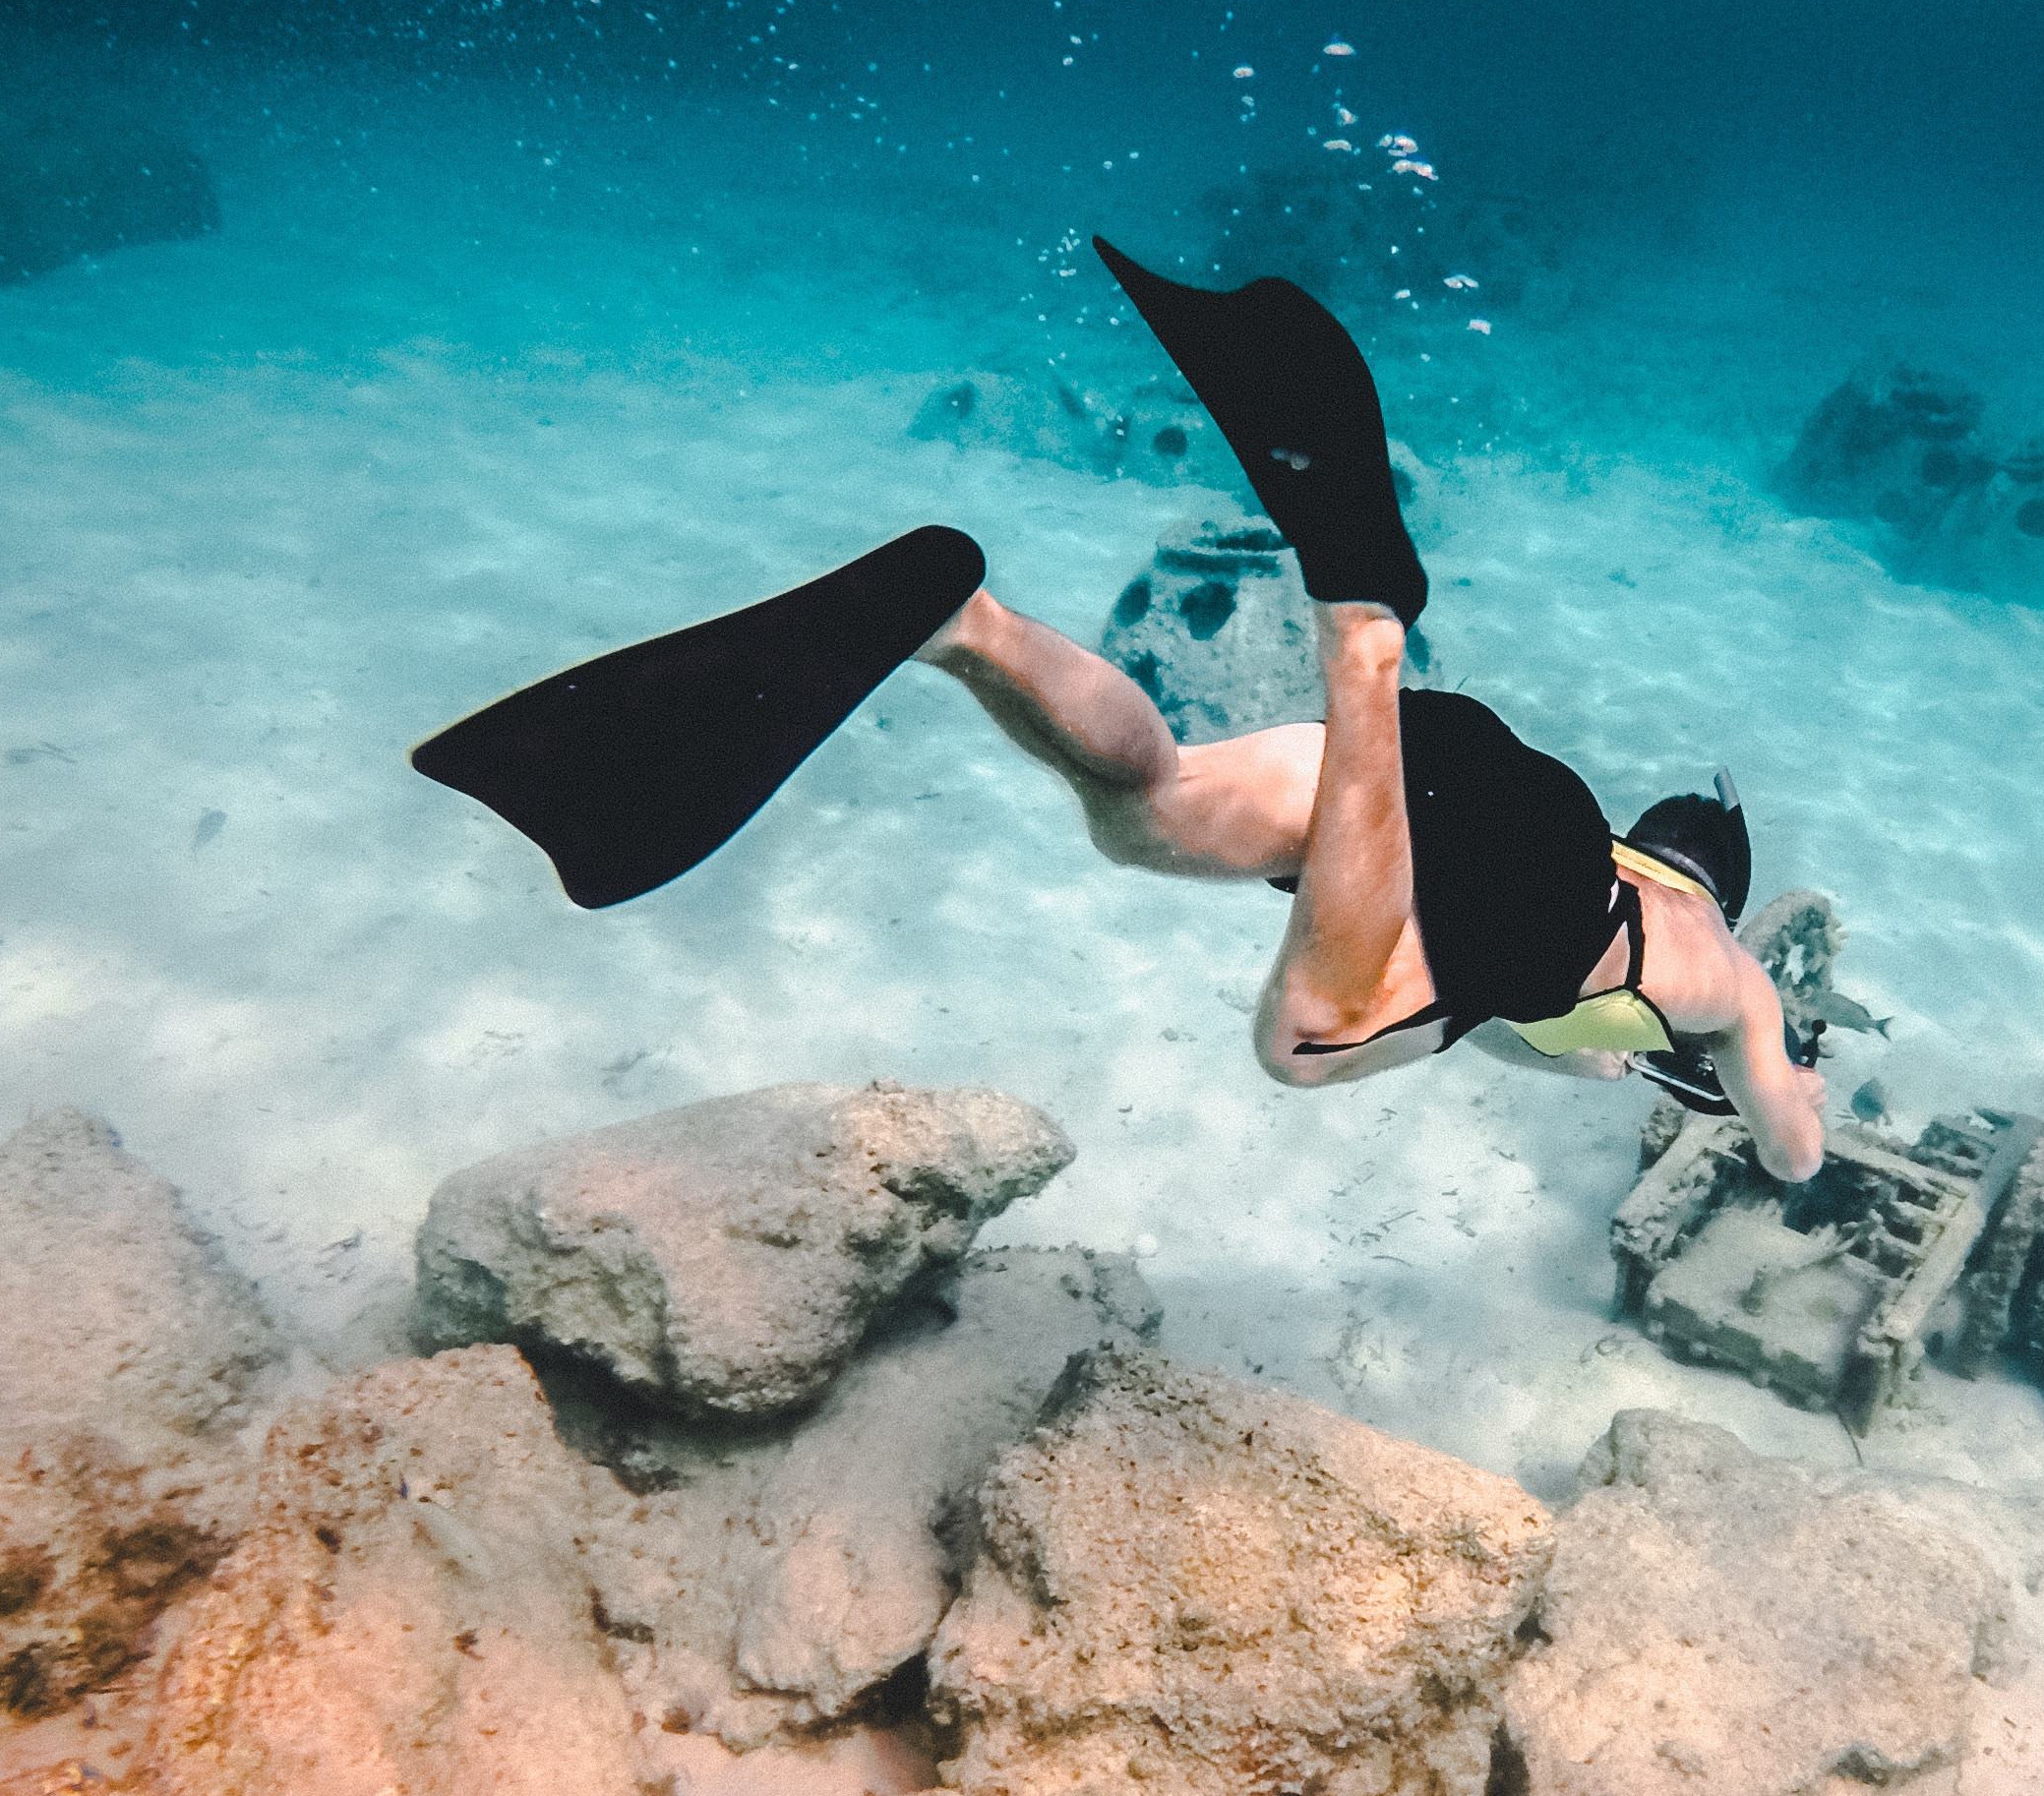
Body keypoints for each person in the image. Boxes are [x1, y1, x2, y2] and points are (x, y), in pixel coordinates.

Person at [410, 239, 1826, 1186]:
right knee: (1305, 1044)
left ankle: (963, 626)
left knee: (1148, 816)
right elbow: (1792, 1148)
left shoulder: (1637, 923)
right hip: (1522, 884)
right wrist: (1786, 1104)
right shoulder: (1719, 977)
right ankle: (1364, 634)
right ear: (1715, 890)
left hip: (1481, 775)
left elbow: (1521, 999)